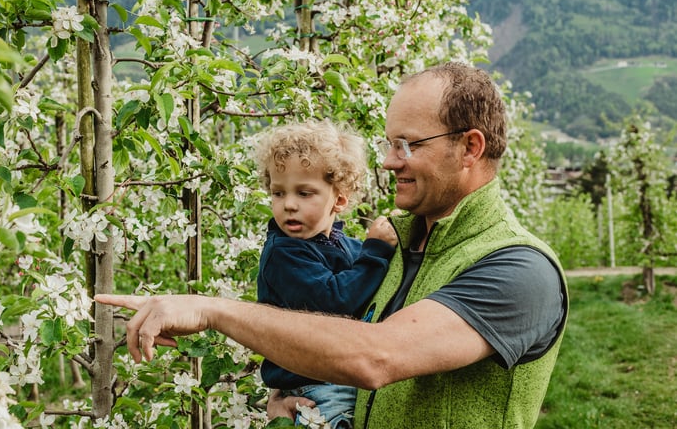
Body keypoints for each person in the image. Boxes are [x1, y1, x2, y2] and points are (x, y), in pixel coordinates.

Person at [96, 62, 569, 429]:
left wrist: (212, 311)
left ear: (470, 147)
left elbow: (374, 357)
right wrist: (294, 387)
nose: (387, 162)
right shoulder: (397, 244)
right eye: (388, 144)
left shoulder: (519, 270)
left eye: (406, 145)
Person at [253, 120, 398, 428]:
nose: (289, 205)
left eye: (305, 193)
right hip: (317, 388)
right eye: (278, 193)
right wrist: (376, 251)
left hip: (339, 377)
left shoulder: (342, 245)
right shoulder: (284, 253)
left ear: (340, 199)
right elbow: (334, 302)